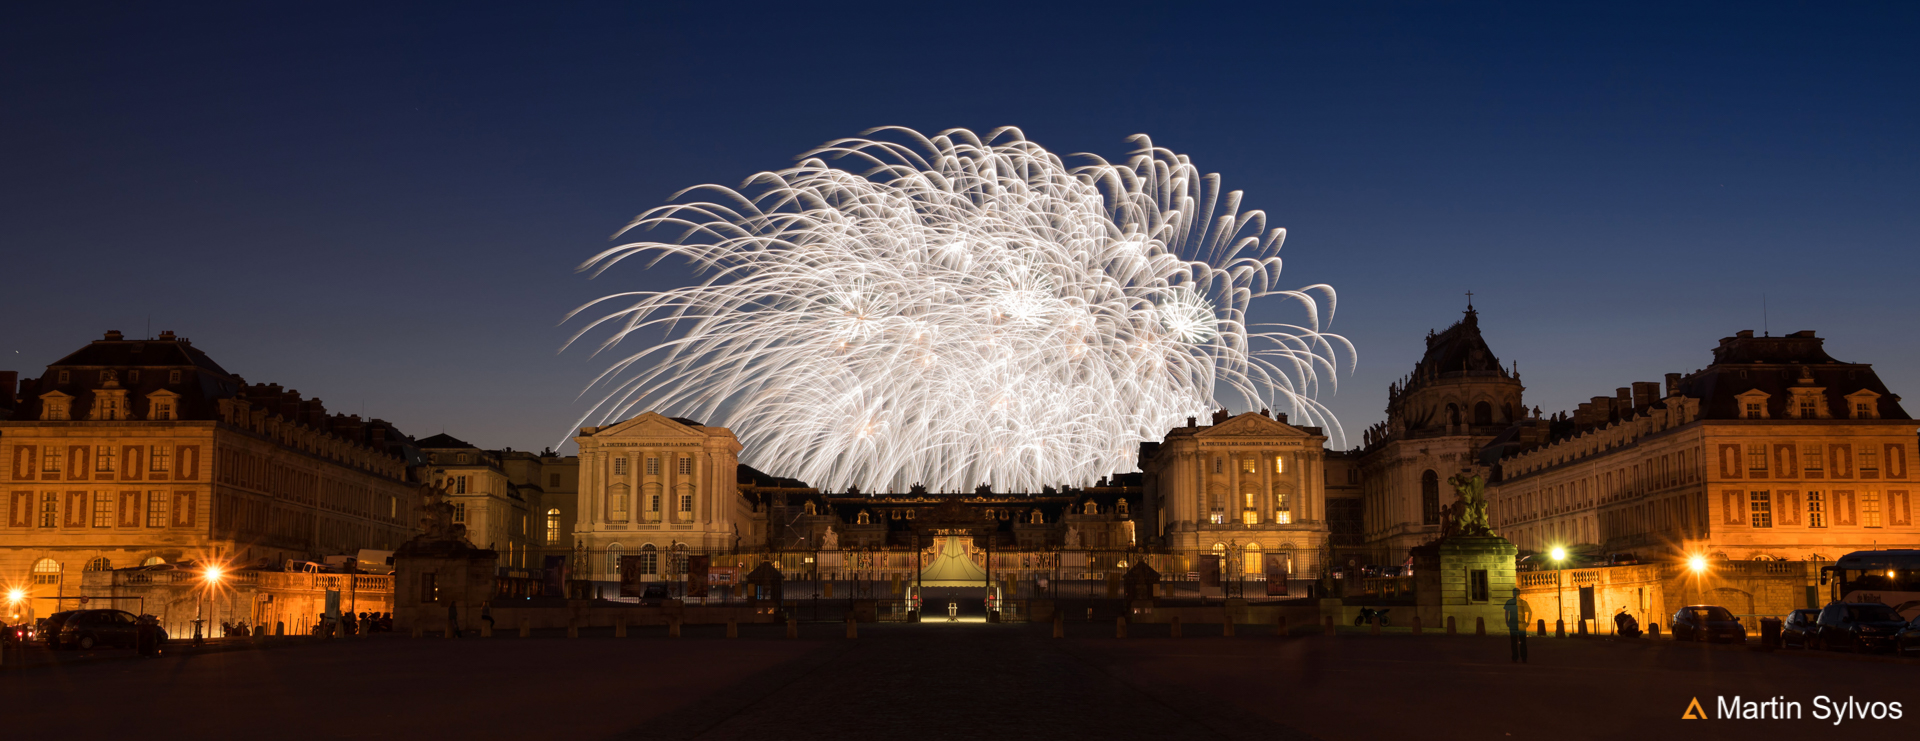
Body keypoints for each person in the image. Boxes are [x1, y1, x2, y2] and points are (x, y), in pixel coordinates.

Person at [1503, 589, 1528, 663]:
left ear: (1513, 594)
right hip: (1521, 623)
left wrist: (1507, 621)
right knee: (1522, 641)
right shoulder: (1523, 602)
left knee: (1514, 641)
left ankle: (1515, 657)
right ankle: (1524, 657)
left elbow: (1506, 612)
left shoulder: (1509, 602)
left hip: (1513, 623)